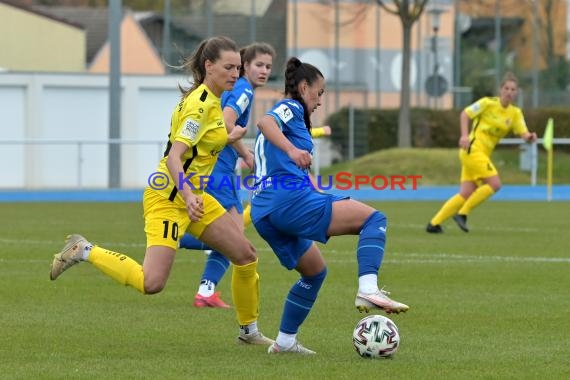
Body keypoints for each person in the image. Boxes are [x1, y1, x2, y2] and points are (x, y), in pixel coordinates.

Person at [49, 36, 273, 346]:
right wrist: (189, 194)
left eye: (238, 67)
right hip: (169, 198)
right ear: (209, 66)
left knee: (245, 255)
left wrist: (236, 142)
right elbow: (174, 157)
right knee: (151, 283)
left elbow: (208, 140)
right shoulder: (199, 105)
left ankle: (249, 333)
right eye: (229, 67)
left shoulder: (211, 100)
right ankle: (84, 250)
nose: (235, 73)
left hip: (194, 196)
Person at [250, 57, 409, 355]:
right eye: (319, 93)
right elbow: (265, 122)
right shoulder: (293, 107)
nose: (320, 100)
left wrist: (313, 184)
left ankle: (284, 342)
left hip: (264, 212)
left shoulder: (295, 119)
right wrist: (293, 149)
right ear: (304, 86)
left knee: (314, 272)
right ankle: (368, 289)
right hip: (288, 203)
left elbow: (279, 157)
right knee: (374, 219)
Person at [177, 42, 276, 309]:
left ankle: (206, 291)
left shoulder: (237, 88)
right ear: (245, 66)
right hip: (219, 168)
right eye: (258, 65)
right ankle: (174, 235)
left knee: (233, 237)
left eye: (268, 66)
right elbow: (226, 122)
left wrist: (242, 155)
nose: (264, 71)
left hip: (218, 166)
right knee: (234, 238)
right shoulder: (243, 89)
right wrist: (245, 153)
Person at [426, 72, 537, 233]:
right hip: (472, 149)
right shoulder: (487, 103)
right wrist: (464, 135)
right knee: (495, 184)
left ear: (517, 92)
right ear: (500, 90)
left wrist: (530, 137)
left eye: (513, 89)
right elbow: (465, 114)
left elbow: (523, 133)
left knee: (465, 193)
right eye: (506, 88)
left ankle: (434, 224)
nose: (509, 92)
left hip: (482, 155)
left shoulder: (515, 113)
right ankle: (462, 213)